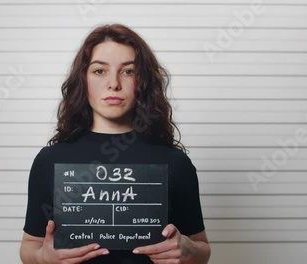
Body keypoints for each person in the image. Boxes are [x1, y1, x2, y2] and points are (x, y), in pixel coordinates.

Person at [20, 23, 210, 264]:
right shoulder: (49, 161)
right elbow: (30, 246)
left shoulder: (176, 163)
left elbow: (202, 249)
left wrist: (188, 251)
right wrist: (42, 259)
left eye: (128, 71)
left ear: (144, 80)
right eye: (100, 71)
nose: (114, 84)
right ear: (83, 79)